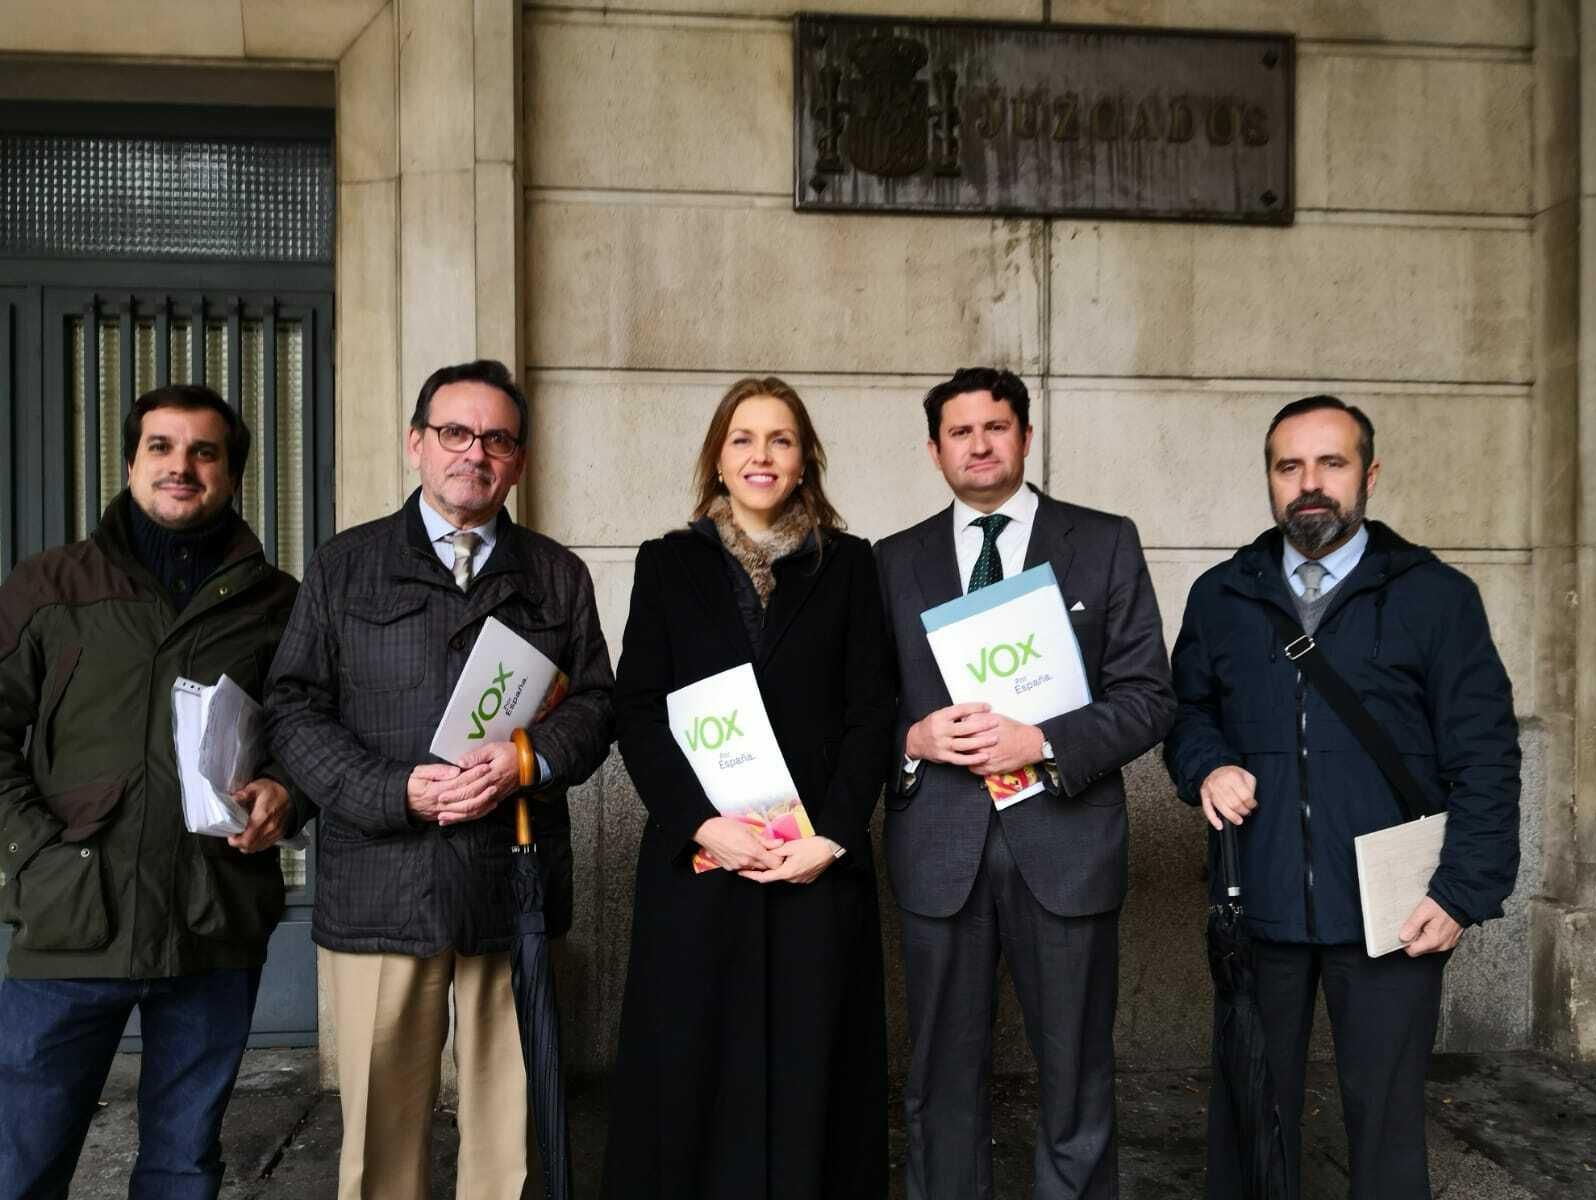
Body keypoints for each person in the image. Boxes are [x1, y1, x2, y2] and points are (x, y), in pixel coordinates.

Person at [264, 359, 614, 1200]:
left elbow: (600, 704)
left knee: (509, 1128)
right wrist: (398, 791)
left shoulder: (556, 572)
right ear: (416, 444)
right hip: (383, 882)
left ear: (519, 461)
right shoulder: (344, 566)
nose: (475, 453)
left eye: (497, 438)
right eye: (455, 432)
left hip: (508, 878)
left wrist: (526, 758)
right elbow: (293, 710)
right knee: (383, 1132)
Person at [1164, 394, 1521, 1199]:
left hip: (1396, 910)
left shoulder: (1437, 598)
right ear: (1269, 478)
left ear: (1370, 473)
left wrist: (1462, 892)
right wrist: (1208, 763)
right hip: (1258, 899)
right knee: (1251, 1116)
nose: (1310, 483)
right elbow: (1187, 712)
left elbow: (1487, 758)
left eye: (1332, 462)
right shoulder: (1223, 595)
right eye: (1290, 466)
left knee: (1389, 1125)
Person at [0, 384, 307, 1199]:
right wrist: (34, 856)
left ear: (232, 473)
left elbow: (311, 733)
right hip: (71, 924)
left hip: (213, 917)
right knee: (21, 1161)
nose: (182, 466)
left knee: (183, 1166)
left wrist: (286, 791)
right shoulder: (49, 587)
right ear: (132, 462)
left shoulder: (278, 603)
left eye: (204, 451)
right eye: (162, 448)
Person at [875, 367, 1175, 1200]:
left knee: (1077, 1076)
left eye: (996, 427)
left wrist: (1039, 739)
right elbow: (862, 710)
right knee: (937, 1079)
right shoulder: (893, 560)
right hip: (939, 848)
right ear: (935, 450)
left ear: (1027, 437)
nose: (980, 443)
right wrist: (912, 735)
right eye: (960, 431)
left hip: (1067, 844)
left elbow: (1150, 698)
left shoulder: (1105, 540)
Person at [601, 376, 894, 1200]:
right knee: (694, 1067)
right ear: (718, 462)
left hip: (814, 868)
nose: (761, 454)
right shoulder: (667, 564)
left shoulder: (850, 566)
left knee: (814, 1072)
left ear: (805, 464)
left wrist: (831, 836)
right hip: (703, 868)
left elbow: (873, 710)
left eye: (780, 440)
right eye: (743, 439)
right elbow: (637, 709)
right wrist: (699, 823)